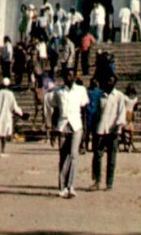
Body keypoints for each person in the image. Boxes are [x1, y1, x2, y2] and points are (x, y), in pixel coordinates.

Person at [52, 68, 89, 197]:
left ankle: (70, 185)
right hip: (63, 125)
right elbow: (56, 111)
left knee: (74, 155)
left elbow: (84, 111)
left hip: (76, 125)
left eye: (71, 75)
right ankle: (62, 187)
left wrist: (85, 130)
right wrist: (53, 128)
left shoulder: (80, 90)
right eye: (67, 75)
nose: (69, 78)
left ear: (74, 77)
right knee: (63, 157)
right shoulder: (58, 92)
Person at [91, 73, 127, 190]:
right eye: (108, 80)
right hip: (100, 129)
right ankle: (97, 180)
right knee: (97, 156)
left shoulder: (119, 96)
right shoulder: (100, 96)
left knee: (111, 159)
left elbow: (122, 112)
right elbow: (96, 112)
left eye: (112, 81)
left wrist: (118, 125)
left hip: (113, 130)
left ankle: (109, 183)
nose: (109, 83)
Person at [0, 78, 24, 156]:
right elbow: (14, 106)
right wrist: (20, 113)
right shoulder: (10, 94)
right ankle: (2, 150)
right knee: (4, 133)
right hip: (7, 115)